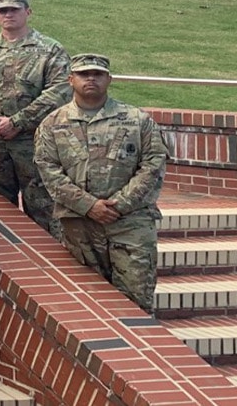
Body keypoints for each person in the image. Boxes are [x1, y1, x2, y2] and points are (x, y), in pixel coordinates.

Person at [36, 54, 166, 314]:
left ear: (109, 79)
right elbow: (48, 171)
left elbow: (153, 165)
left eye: (97, 74)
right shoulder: (52, 124)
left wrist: (118, 205)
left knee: (136, 302)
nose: (91, 79)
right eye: (84, 74)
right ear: (70, 80)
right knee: (89, 305)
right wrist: (89, 205)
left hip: (130, 224)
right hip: (79, 226)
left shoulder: (137, 120)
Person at [0, 0, 71, 238]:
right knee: (0, 214)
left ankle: (50, 267)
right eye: (3, 11)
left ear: (28, 12)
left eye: (14, 9)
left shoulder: (50, 50)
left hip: (36, 142)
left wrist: (18, 121)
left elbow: (60, 91)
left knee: (46, 211)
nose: (8, 14)